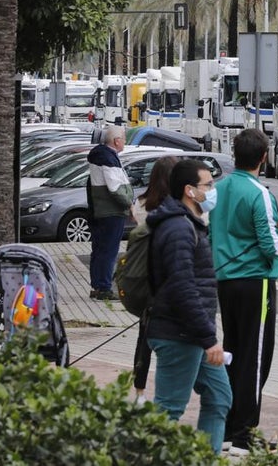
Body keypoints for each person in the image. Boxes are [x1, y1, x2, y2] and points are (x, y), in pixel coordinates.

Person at [209, 128, 278, 452]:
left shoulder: (219, 189)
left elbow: (221, 232)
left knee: (235, 352)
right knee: (256, 357)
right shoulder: (260, 192)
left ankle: (231, 426)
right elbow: (269, 246)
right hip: (255, 280)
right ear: (264, 157)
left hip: (226, 280)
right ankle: (245, 434)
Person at [145, 158, 232, 453]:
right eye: (208, 185)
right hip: (179, 334)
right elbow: (183, 288)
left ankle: (207, 457)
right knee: (168, 410)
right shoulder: (179, 229)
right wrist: (209, 339)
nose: (212, 190)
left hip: (192, 333)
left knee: (219, 396)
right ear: (189, 191)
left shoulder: (189, 225)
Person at [130, 154, 181, 403]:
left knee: (144, 337)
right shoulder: (180, 209)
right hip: (171, 275)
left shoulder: (140, 205)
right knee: (172, 337)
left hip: (146, 277)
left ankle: (139, 392)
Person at [87, 125, 132, 300]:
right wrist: (129, 204)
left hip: (99, 210)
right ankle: (104, 288)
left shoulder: (102, 156)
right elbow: (115, 187)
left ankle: (97, 285)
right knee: (109, 250)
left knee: (99, 249)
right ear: (116, 141)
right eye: (123, 138)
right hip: (111, 211)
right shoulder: (107, 158)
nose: (125, 141)